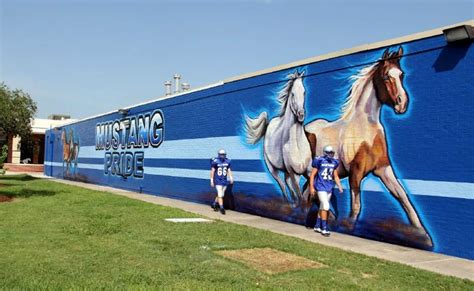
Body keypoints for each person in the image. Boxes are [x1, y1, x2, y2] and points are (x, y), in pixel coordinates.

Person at [308, 145, 343, 236]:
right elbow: (312, 175)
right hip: (320, 187)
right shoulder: (319, 160)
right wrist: (312, 187)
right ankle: (324, 228)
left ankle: (317, 225)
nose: (331, 154)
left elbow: (335, 175)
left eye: (332, 152)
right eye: (330, 152)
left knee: (322, 207)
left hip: (329, 188)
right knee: (326, 206)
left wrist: (339, 185)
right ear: (325, 153)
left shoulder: (334, 162)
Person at [210, 149, 234, 214]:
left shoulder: (227, 161)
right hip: (218, 180)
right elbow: (212, 171)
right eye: (221, 154)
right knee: (220, 195)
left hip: (224, 181)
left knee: (221, 194)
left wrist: (231, 177)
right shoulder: (215, 161)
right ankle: (221, 207)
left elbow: (228, 170)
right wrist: (212, 180)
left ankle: (214, 203)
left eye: (224, 154)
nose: (223, 156)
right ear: (219, 154)